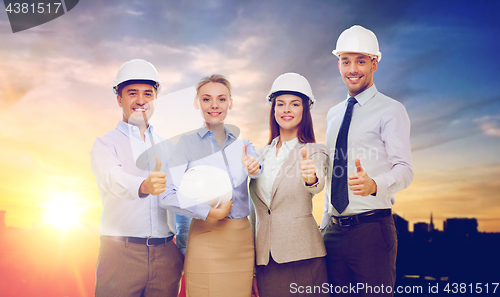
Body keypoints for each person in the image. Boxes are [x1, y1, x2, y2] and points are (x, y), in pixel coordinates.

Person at [90, 60, 231, 297]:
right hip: (120, 255)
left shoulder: (169, 147)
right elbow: (112, 179)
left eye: (148, 93)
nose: (141, 100)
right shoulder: (105, 144)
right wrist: (144, 185)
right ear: (119, 99)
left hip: (166, 255)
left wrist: (184, 247)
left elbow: (180, 197)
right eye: (132, 93)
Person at [321, 25, 413, 296]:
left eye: (360, 61)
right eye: (345, 61)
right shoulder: (334, 114)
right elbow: (333, 171)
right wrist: (326, 220)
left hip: (372, 231)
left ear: (374, 63)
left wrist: (374, 184)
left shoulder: (391, 110)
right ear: (339, 65)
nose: (352, 69)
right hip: (334, 232)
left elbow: (404, 170)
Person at [164, 74, 262, 297]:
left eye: (222, 98)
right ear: (197, 103)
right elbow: (167, 195)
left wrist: (254, 167)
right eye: (207, 99)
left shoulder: (244, 145)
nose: (215, 105)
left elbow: (258, 167)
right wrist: (208, 212)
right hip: (206, 236)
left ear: (230, 102)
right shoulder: (186, 144)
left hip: (241, 241)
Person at [249, 73, 329, 296]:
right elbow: (253, 214)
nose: (286, 110)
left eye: (294, 104)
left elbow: (317, 183)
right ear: (273, 110)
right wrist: (252, 268)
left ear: (305, 110)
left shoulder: (315, 150)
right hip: (266, 261)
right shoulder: (258, 155)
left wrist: (310, 177)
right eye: (280, 104)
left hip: (303, 256)